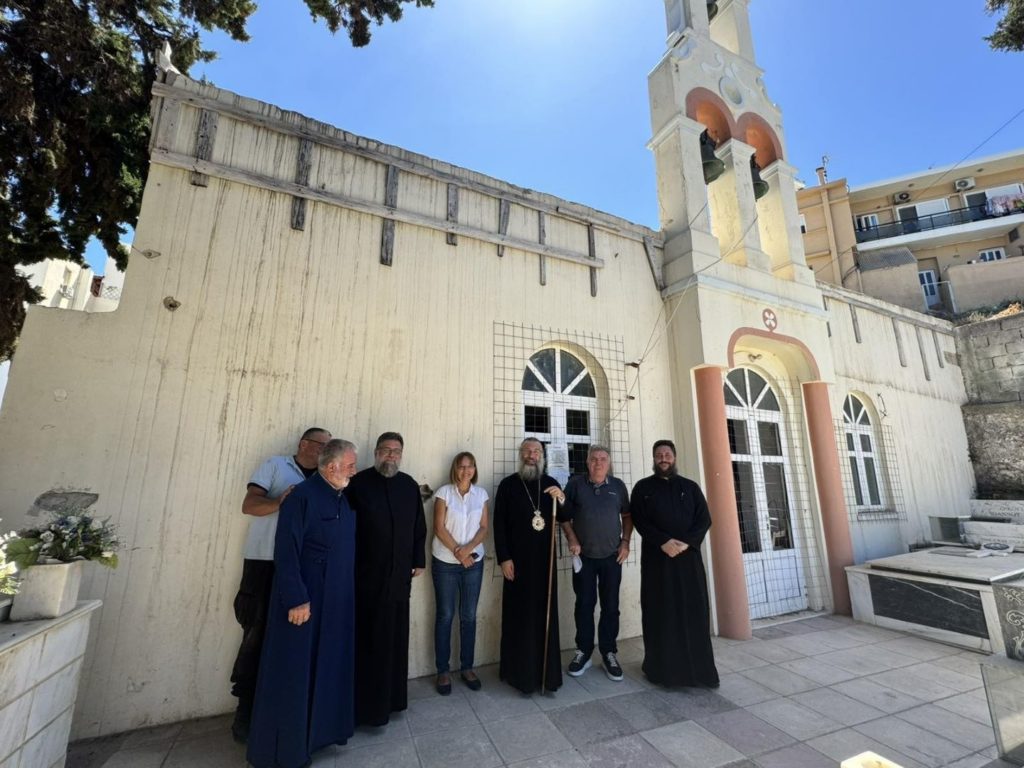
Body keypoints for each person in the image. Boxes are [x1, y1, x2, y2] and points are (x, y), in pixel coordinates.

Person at [246, 439, 359, 768]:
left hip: (335, 602)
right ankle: (287, 749)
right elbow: (286, 551)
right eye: (350, 464)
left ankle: (320, 735)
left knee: (326, 668)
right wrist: (296, 598)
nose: (354, 469)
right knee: (295, 673)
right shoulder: (302, 496)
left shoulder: (340, 497)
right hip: (305, 602)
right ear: (331, 466)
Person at [230, 426, 331, 743]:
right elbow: (250, 505)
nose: (325, 452)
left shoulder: (325, 479)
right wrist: (281, 502)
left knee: (295, 639)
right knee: (256, 634)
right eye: (321, 446)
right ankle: (246, 712)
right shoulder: (276, 465)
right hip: (265, 563)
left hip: (303, 568)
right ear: (304, 444)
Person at [345, 431, 426, 726]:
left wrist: (418, 560)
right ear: (376, 452)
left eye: (396, 451)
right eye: (386, 450)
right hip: (365, 577)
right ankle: (366, 707)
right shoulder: (358, 484)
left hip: (399, 579)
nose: (391, 455)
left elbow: (419, 525)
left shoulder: (408, 485)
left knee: (394, 639)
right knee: (369, 641)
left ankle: (393, 701)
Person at [629, 439, 719, 688]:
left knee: (693, 613)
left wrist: (685, 543)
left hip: (688, 561)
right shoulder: (642, 488)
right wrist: (663, 542)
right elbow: (640, 520)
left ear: (675, 457)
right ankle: (662, 672)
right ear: (653, 459)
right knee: (661, 613)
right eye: (659, 455)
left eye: (667, 454)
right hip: (658, 562)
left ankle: (699, 673)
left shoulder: (690, 487)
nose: (663, 458)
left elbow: (704, 519)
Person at [493, 437, 566, 694]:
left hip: (544, 565)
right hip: (517, 563)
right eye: (527, 451)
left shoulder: (551, 484)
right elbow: (498, 524)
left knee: (544, 616)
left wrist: (562, 498)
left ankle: (547, 675)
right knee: (519, 617)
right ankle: (518, 674)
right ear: (520, 454)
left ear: (542, 456)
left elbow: (567, 518)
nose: (531, 455)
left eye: (536, 451)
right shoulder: (508, 485)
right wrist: (504, 557)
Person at [560, 444, 632, 682]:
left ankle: (609, 653)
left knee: (611, 606)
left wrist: (625, 542)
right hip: (584, 559)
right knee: (584, 605)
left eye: (602, 459)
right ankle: (584, 652)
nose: (598, 463)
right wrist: (572, 538)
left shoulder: (618, 486)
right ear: (587, 463)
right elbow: (564, 517)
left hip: (612, 557)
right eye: (594, 459)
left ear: (609, 463)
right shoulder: (575, 485)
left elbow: (627, 516)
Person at [431, 451, 489, 695]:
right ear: (455, 469)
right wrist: (458, 551)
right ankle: (443, 671)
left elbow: (484, 527)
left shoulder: (481, 494)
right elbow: (438, 527)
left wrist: (468, 551)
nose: (466, 471)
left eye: (470, 467)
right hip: (445, 561)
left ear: (475, 469)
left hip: (473, 562)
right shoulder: (443, 493)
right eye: (462, 466)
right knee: (445, 615)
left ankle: (467, 667)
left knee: (469, 616)